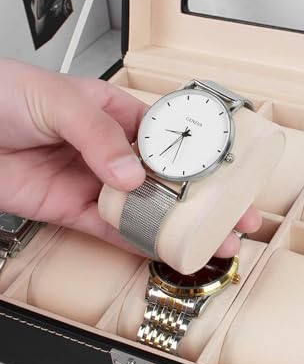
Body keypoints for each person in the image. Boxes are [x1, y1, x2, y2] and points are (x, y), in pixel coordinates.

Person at [0, 59, 262, 257]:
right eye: (185, 130)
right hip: (156, 173)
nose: (185, 132)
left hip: (173, 180)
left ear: (226, 156)